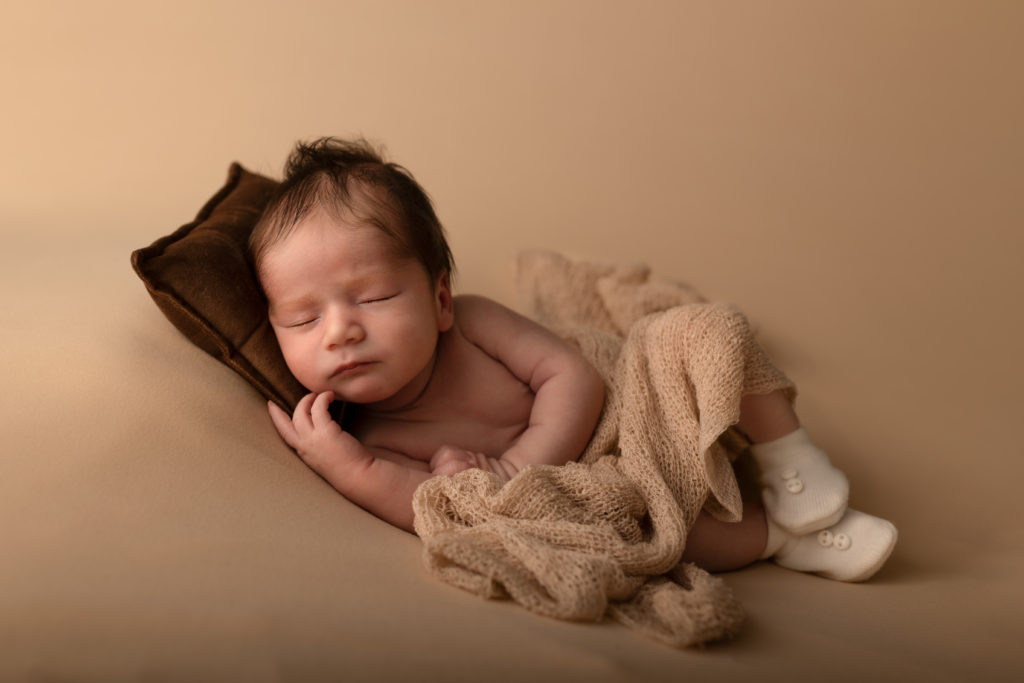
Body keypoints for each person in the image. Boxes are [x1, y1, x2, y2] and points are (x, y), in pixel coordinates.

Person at [249, 137, 897, 582]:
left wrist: (517, 464)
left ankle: (792, 463)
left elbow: (574, 375)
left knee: (708, 333)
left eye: (373, 296)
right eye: (304, 318)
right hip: (588, 483)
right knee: (642, 530)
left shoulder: (472, 324)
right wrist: (349, 465)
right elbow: (429, 506)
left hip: (624, 409)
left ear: (439, 297)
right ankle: (784, 538)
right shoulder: (368, 433)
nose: (340, 331)